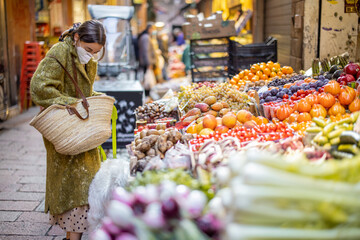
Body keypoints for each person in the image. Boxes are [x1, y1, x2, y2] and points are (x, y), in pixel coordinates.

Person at [30, 20, 106, 240]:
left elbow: (85, 89)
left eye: (96, 52)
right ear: (76, 39)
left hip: (83, 127)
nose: (91, 55)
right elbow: (39, 88)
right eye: (89, 49)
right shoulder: (59, 53)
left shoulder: (88, 59)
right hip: (65, 129)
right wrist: (72, 103)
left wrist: (97, 99)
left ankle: (74, 236)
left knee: (87, 184)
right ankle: (73, 237)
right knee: (76, 187)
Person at [137, 22, 157, 95]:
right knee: (147, 81)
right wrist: (149, 63)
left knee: (146, 79)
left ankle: (147, 95)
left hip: (144, 61)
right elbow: (146, 51)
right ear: (149, 29)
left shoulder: (145, 36)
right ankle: (147, 95)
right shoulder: (146, 37)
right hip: (146, 62)